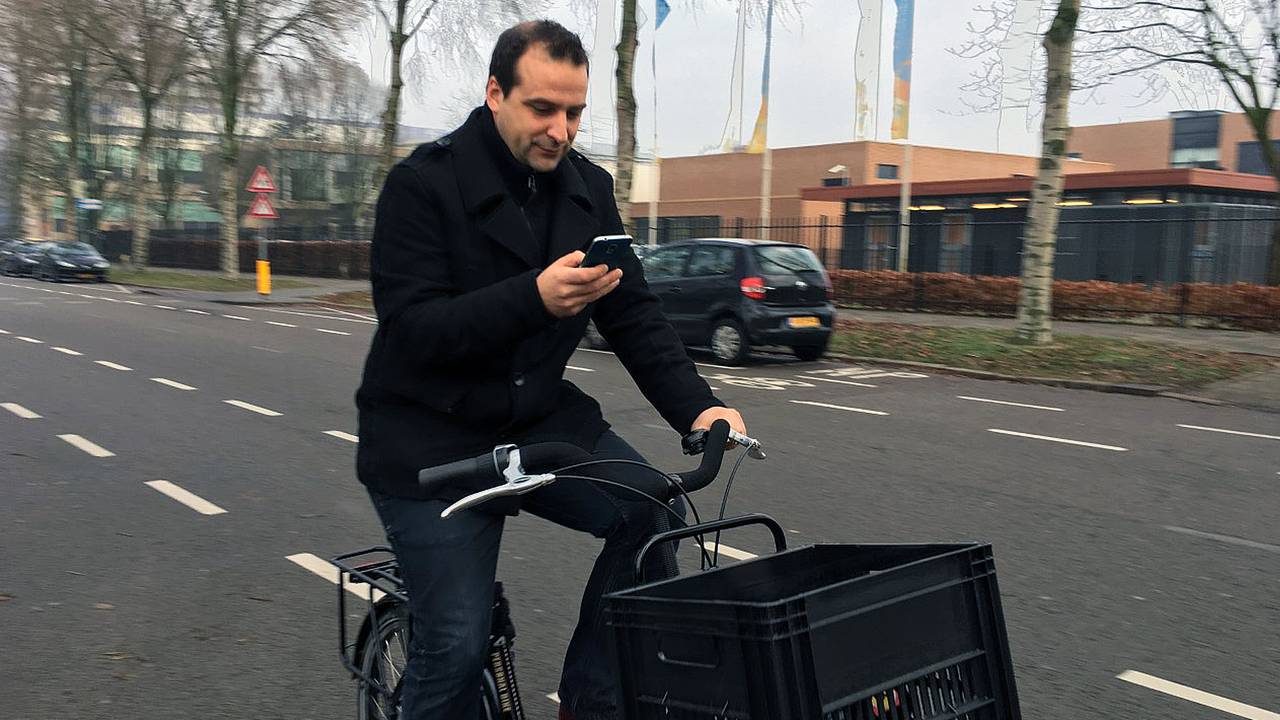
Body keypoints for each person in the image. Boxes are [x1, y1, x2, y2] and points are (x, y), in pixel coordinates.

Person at [354, 19, 747, 720]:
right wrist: (532, 298)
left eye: (574, 112)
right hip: (428, 442)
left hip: (537, 420)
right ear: (495, 93)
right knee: (456, 646)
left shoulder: (588, 189)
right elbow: (413, 330)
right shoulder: (421, 185)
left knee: (654, 513)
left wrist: (699, 406)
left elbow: (635, 316)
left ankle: (590, 704)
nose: (560, 131)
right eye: (542, 108)